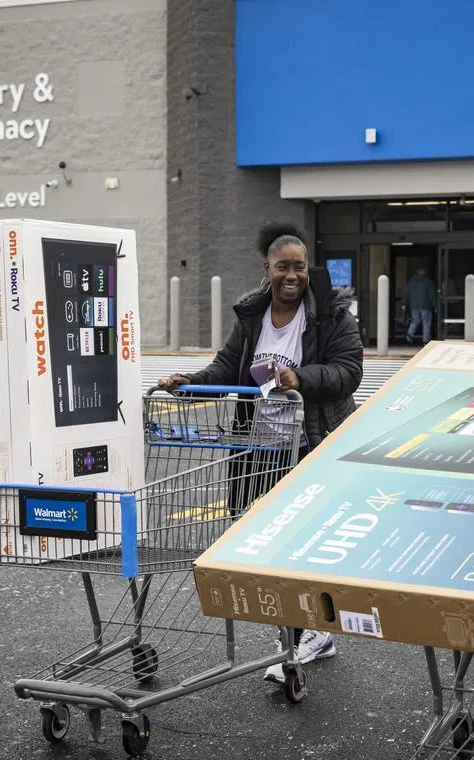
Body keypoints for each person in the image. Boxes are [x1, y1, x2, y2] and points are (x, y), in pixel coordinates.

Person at [157, 221, 363, 685]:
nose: (292, 275)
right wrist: (189, 384)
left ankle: (307, 632)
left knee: (304, 544)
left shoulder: (330, 313)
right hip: (262, 448)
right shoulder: (253, 316)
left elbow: (349, 371)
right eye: (282, 267)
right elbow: (227, 366)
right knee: (269, 547)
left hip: (313, 444)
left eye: (300, 267)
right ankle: (296, 632)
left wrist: (300, 379)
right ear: (266, 268)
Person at [405, 266, 438, 344]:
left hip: (414, 306)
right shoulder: (428, 282)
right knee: (426, 323)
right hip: (426, 306)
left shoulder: (411, 281)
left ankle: (410, 333)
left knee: (415, 321)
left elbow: (407, 293)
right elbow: (432, 295)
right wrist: (435, 305)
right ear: (424, 272)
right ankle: (425, 340)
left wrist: (404, 303)